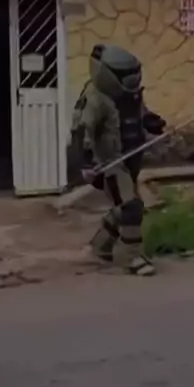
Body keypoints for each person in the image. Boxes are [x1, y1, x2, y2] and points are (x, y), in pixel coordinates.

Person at [70, 44, 166, 276]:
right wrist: (85, 163)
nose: (132, 79)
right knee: (131, 206)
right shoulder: (95, 98)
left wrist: (151, 122)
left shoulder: (130, 95)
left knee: (125, 206)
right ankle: (133, 258)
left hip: (132, 157)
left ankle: (100, 246)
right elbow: (81, 130)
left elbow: (140, 114)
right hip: (110, 164)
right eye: (125, 74)